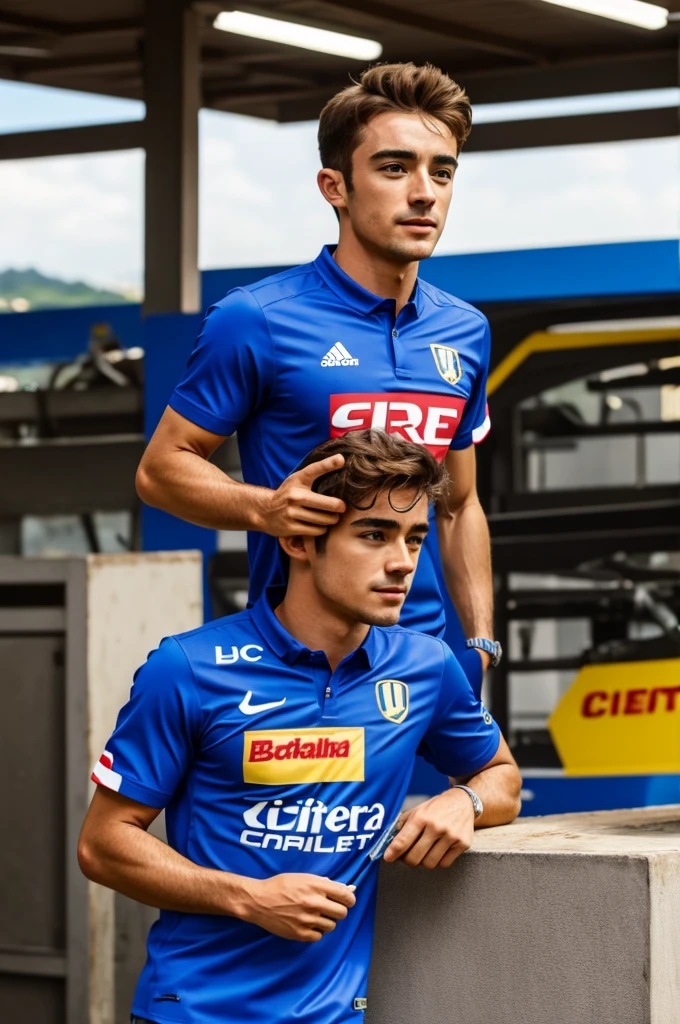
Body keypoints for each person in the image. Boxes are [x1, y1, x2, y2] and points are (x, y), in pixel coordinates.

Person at [80, 430, 521, 1024]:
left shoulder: (427, 666)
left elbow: (501, 777)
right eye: (373, 535)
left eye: (415, 539)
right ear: (298, 539)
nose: (403, 564)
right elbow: (103, 844)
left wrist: (464, 801)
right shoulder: (186, 668)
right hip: (191, 1011)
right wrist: (249, 898)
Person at [136, 61, 500, 696]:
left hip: (426, 665)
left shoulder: (464, 330)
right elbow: (161, 470)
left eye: (441, 172)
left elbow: (459, 503)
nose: (424, 192)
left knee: (490, 793)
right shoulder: (257, 319)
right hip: (302, 665)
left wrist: (478, 644)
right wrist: (266, 508)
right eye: (394, 168)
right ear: (335, 186)